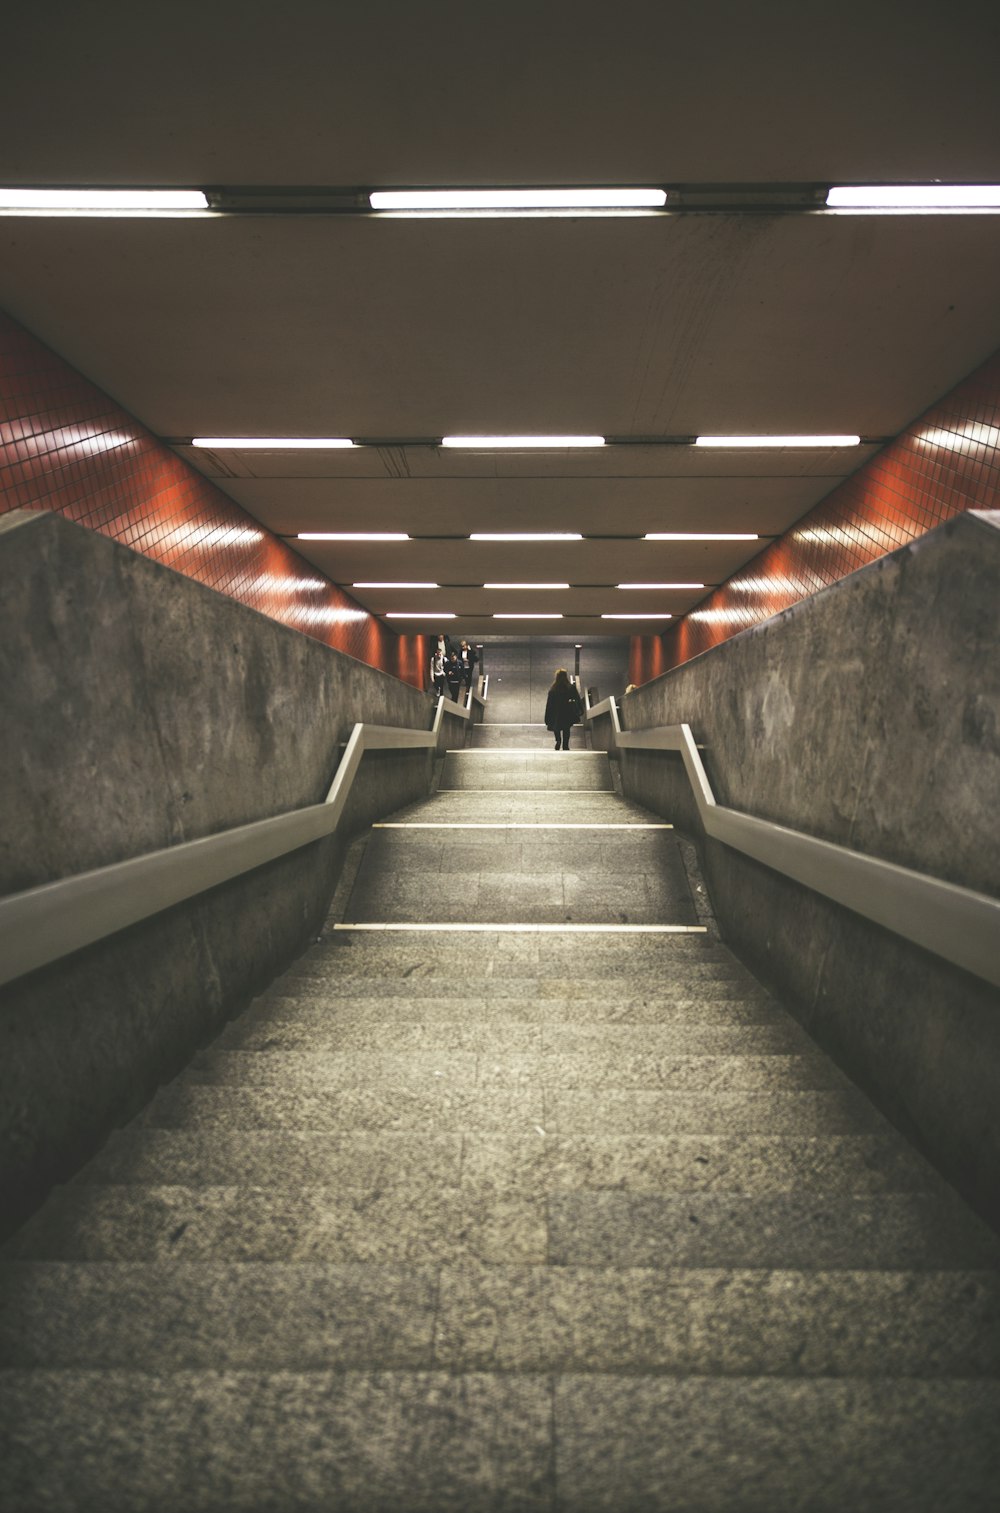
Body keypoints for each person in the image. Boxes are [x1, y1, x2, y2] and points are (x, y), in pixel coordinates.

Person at [544, 668, 583, 751]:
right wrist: (580, 710)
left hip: (556, 711)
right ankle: (565, 745)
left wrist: (547, 717)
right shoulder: (570, 687)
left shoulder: (553, 689)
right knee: (566, 728)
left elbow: (549, 704)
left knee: (556, 727)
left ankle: (558, 741)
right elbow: (577, 699)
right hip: (567, 711)